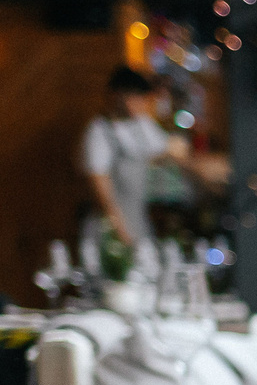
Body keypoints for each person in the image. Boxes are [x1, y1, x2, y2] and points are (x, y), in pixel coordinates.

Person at [79, 66, 189, 251]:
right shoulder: (98, 132)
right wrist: (121, 234)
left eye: (142, 99)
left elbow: (168, 151)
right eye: (134, 97)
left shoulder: (142, 124)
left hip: (139, 222)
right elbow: (101, 191)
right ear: (116, 95)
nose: (140, 104)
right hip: (109, 232)